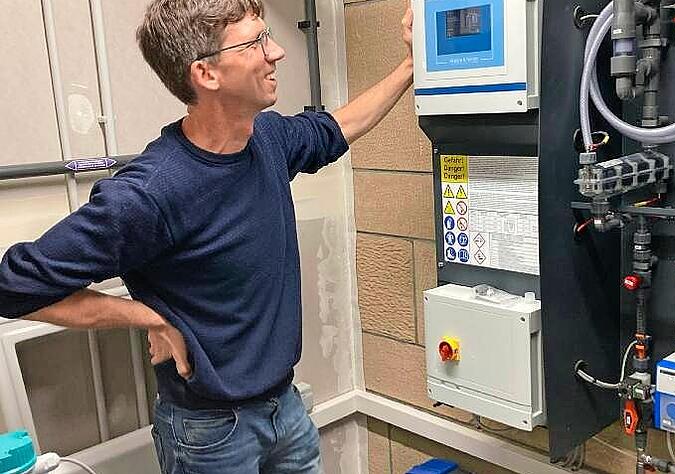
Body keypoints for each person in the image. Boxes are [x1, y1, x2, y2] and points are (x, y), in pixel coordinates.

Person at [0, 0, 414, 472]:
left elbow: (340, 126)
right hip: (211, 435)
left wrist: (410, 65)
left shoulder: (268, 141)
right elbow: (12, 286)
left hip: (288, 410)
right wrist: (145, 316)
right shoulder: (149, 194)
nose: (276, 51)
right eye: (256, 41)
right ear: (206, 74)